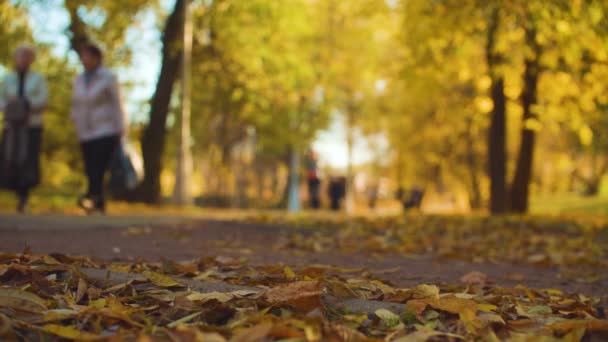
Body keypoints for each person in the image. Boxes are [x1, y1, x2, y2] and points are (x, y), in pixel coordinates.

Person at [71, 44, 127, 214]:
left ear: (96, 57)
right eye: (83, 56)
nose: (84, 59)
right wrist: (76, 122)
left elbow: (118, 103)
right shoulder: (79, 80)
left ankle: (93, 197)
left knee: (99, 165)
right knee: (90, 166)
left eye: (87, 55)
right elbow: (76, 104)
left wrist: (121, 127)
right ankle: (97, 200)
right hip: (85, 130)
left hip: (105, 128)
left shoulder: (108, 77)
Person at [0, 45, 48, 213]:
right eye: (21, 56)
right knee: (9, 158)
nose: (24, 59)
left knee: (28, 160)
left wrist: (25, 103)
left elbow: (43, 100)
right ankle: (12, 189)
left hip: (31, 126)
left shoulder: (38, 79)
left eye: (27, 56)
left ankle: (24, 196)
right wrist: (11, 105)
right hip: (11, 127)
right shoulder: (8, 79)